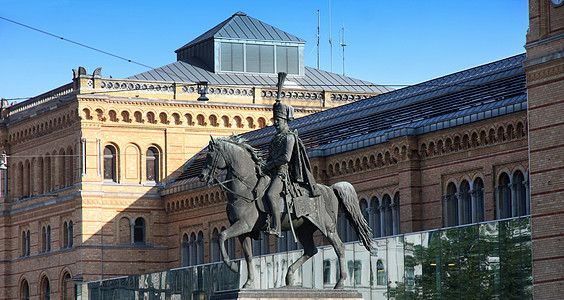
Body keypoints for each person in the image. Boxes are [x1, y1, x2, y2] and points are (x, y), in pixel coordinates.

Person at [256, 100, 320, 237]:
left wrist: (271, 165)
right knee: (256, 190)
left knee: (271, 194)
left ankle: (276, 227)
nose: (275, 123)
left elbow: (286, 157)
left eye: (278, 119)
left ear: (285, 120)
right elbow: (271, 157)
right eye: (275, 119)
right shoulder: (275, 138)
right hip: (271, 172)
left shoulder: (289, 137)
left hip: (282, 173)